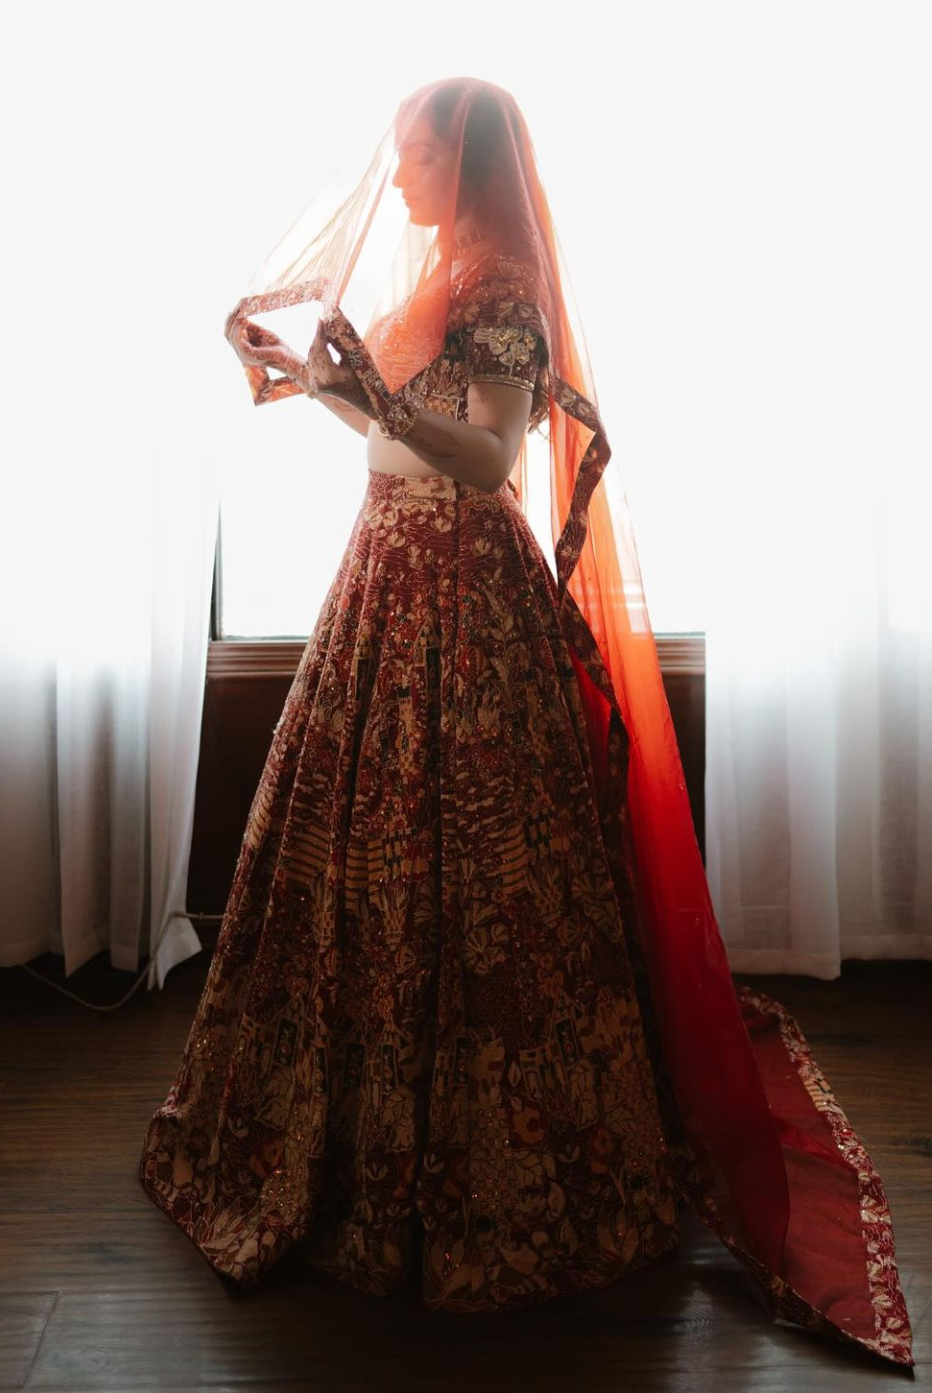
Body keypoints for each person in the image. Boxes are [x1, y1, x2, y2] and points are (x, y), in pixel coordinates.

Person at [138, 78, 914, 1365]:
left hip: (462, 590)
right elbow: (396, 436)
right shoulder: (445, 280)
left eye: (416, 154)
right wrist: (316, 386)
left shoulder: (503, 291)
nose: (398, 176)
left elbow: (491, 458)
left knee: (478, 864)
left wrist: (374, 397)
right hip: (387, 567)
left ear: (470, 159)